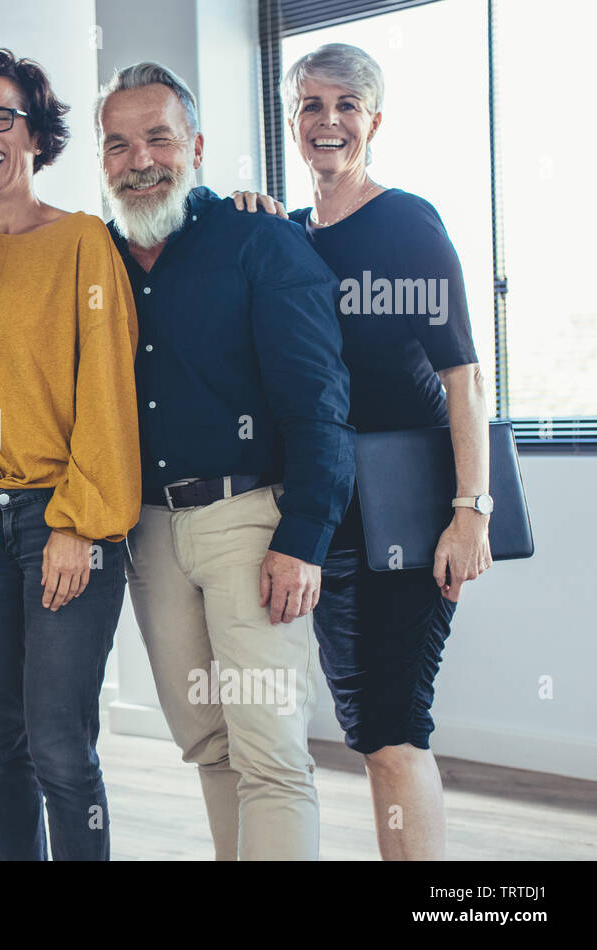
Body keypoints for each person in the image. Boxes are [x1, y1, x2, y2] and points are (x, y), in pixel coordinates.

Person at [96, 61, 355, 860]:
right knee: (208, 744)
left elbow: (319, 399)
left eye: (159, 139)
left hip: (253, 525)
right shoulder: (91, 258)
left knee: (271, 754)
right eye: (119, 144)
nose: (140, 160)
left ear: (197, 146)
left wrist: (304, 537)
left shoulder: (259, 238)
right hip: (147, 532)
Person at [280, 43, 489, 860]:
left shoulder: (406, 221)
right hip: (331, 509)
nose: (327, 121)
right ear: (293, 119)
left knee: (396, 725)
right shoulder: (289, 236)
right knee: (371, 725)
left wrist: (470, 512)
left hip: (413, 506)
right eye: (310, 105)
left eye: (345, 105)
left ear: (373, 120)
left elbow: (464, 377)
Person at [0, 49, 139, 861]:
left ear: (34, 132)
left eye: (0, 117)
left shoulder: (85, 242)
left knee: (60, 745)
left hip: (63, 517)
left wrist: (79, 525)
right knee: (1, 741)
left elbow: (109, 397)